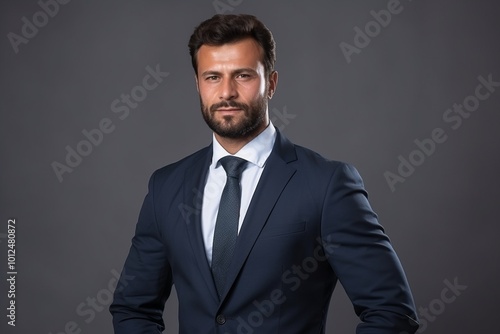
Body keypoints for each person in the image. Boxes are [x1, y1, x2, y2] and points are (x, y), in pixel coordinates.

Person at [110, 14, 419, 333]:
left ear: (271, 83)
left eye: (242, 75)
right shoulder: (166, 187)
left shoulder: (326, 184)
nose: (226, 93)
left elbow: (391, 312)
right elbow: (133, 307)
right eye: (213, 77)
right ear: (198, 84)